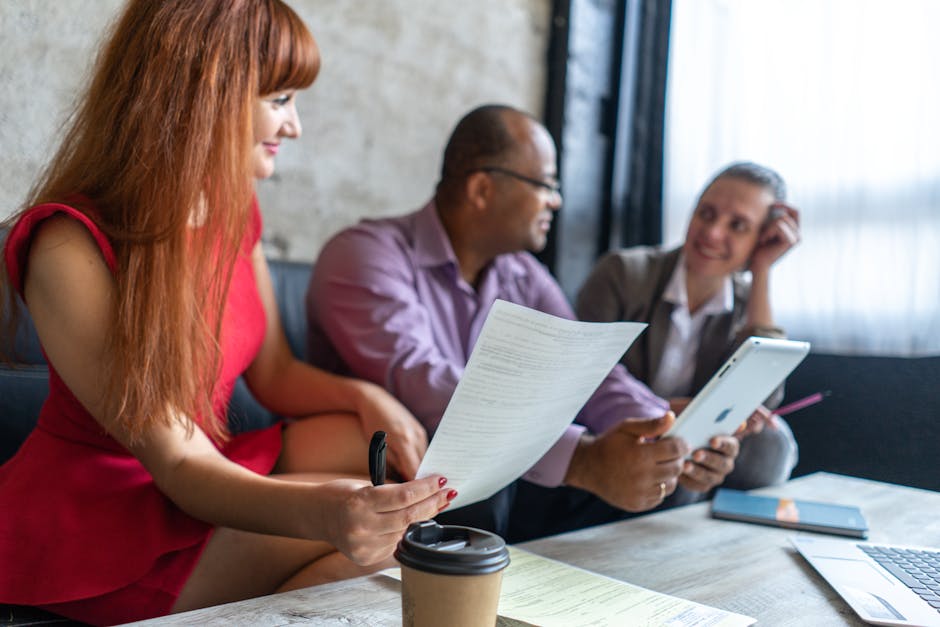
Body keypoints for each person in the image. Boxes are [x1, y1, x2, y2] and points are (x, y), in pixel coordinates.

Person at [0, 2, 453, 624]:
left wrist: (368, 398)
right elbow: (179, 463)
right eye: (281, 99)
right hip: (100, 520)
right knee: (378, 539)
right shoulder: (67, 246)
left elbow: (274, 375)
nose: (293, 127)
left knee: (371, 456)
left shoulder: (234, 210)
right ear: (204, 94)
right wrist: (329, 512)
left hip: (205, 473)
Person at [306, 104, 742, 542]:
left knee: (653, 478)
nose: (557, 200)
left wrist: (668, 432)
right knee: (485, 485)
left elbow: (587, 375)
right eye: (545, 185)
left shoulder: (524, 274)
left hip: (505, 479)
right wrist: (585, 460)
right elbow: (428, 385)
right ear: (481, 189)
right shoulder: (364, 256)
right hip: (395, 481)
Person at [576, 161, 802, 494]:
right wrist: (664, 410)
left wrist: (762, 272)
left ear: (760, 240)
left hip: (698, 446)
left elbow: (760, 399)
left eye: (737, 225)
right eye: (706, 214)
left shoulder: (746, 303)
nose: (712, 233)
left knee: (771, 445)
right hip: (621, 432)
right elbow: (583, 381)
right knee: (678, 452)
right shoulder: (623, 274)